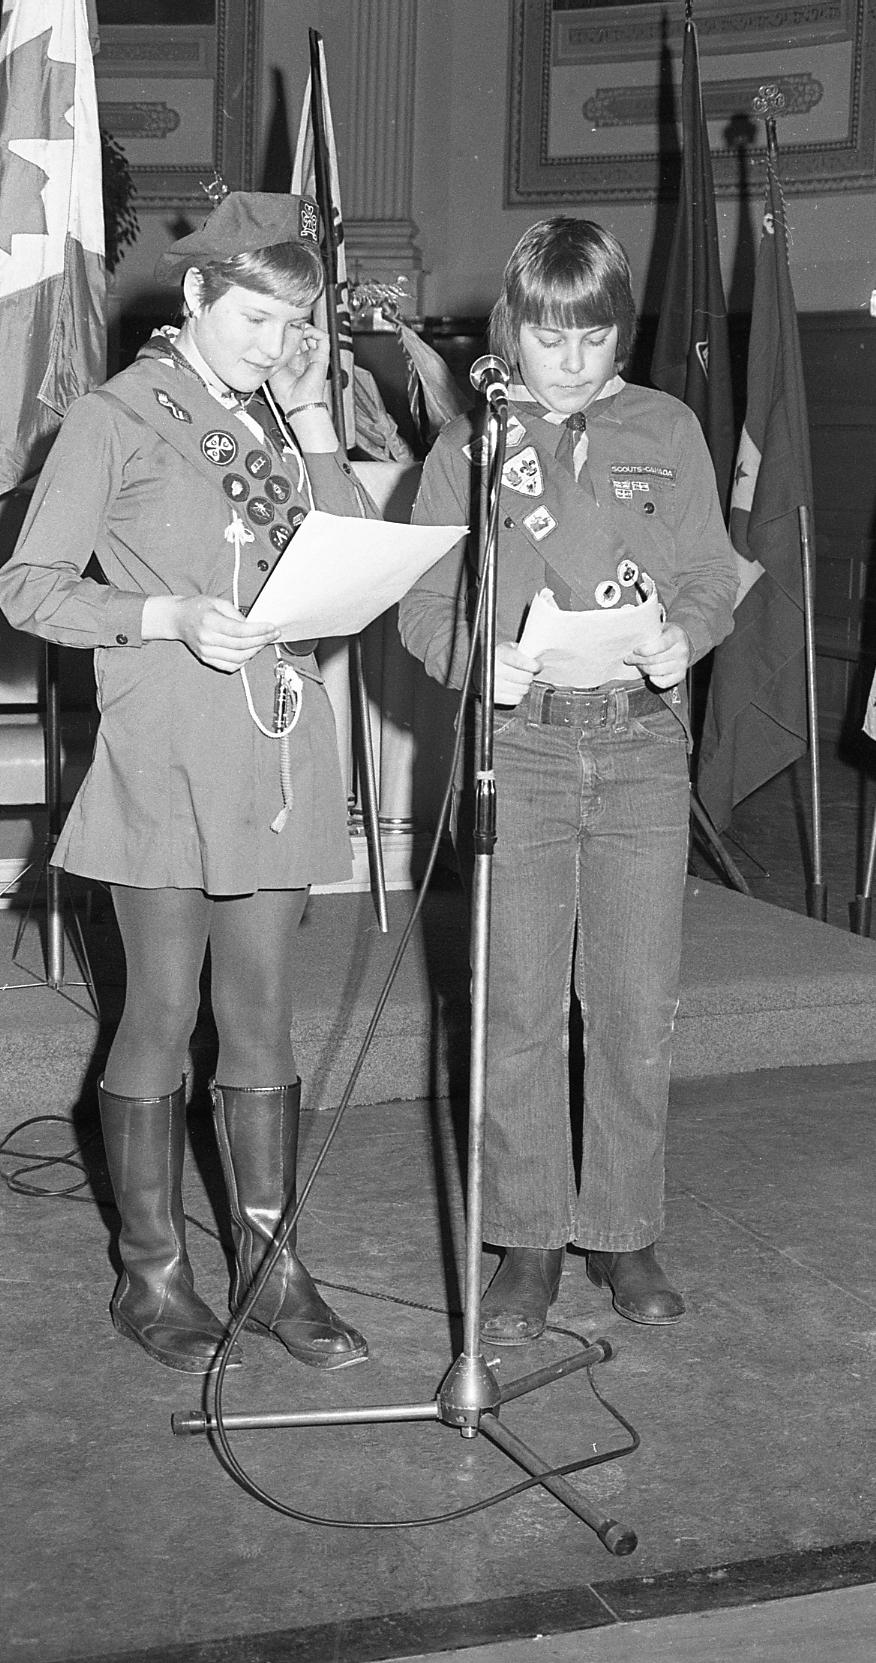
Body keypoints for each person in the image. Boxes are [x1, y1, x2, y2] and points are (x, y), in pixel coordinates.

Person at [0, 192, 372, 1375]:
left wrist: (313, 415)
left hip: (271, 747)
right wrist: (160, 612)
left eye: (293, 327)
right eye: (257, 321)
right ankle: (151, 1271)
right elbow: (30, 586)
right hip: (163, 751)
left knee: (260, 1015)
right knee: (159, 1014)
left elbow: (350, 552)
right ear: (199, 297)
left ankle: (271, 1270)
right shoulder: (116, 418)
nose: (275, 346)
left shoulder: (268, 420)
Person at [400, 217, 738, 1344]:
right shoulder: (472, 448)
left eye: (592, 335)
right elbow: (419, 606)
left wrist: (685, 635)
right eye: (548, 336)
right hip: (524, 748)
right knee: (518, 1008)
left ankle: (624, 1228)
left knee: (637, 1004)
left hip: (641, 741)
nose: (572, 359)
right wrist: (473, 657)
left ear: (618, 334)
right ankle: (529, 1235)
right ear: (512, 331)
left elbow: (705, 571)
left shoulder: (666, 427)